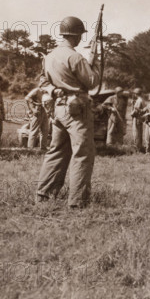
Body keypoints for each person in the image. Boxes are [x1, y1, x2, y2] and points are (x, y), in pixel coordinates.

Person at [36, 16, 100, 208]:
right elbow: (92, 81)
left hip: (59, 108)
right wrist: (94, 63)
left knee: (56, 151)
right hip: (78, 109)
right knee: (82, 153)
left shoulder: (50, 56)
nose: (81, 38)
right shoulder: (75, 57)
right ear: (77, 35)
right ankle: (78, 202)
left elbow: (42, 82)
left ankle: (44, 195)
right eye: (80, 35)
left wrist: (54, 91)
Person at [131, 88, 146, 152]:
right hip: (140, 118)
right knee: (139, 133)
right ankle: (139, 146)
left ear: (135, 94)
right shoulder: (142, 100)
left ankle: (137, 148)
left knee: (136, 133)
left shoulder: (139, 101)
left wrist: (132, 113)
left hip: (137, 118)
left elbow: (135, 111)